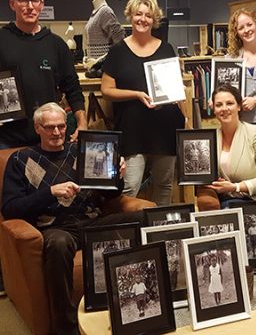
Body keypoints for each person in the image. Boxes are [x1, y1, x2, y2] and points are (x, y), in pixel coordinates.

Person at [1, 102, 152, 335]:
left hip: (91, 222)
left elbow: (109, 194)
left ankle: (146, 305)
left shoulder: (82, 150)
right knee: (58, 244)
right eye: (50, 127)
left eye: (61, 126)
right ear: (37, 128)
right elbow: (11, 209)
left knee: (146, 218)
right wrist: (50, 192)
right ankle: (67, 329)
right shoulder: (21, 160)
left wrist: (116, 177)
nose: (57, 132)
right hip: (57, 228)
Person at [101, 0, 185, 205]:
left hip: (165, 127)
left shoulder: (166, 48)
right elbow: (107, 90)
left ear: (154, 19)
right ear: (130, 16)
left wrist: (186, 119)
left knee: (164, 185)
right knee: (130, 187)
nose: (143, 19)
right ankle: (131, 235)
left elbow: (175, 89)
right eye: (138, 14)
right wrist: (136, 95)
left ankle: (160, 231)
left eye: (148, 15)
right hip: (133, 130)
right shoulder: (117, 51)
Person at [0, 0, 87, 148]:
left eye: (35, 1)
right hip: (8, 137)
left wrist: (82, 123)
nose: (30, 6)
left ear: (42, 5)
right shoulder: (2, 40)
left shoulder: (56, 44)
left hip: (49, 136)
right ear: (12, 4)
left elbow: (73, 88)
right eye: (23, 0)